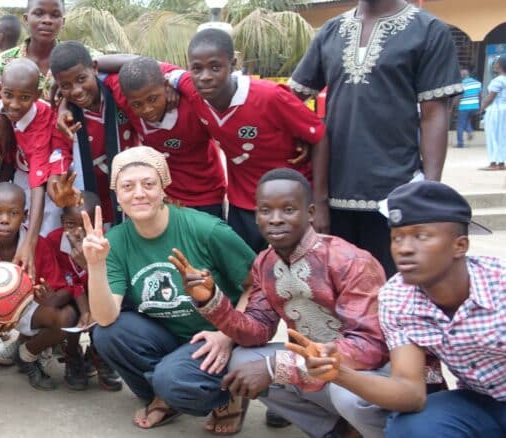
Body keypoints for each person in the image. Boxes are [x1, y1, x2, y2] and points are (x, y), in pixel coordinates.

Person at [183, 168, 390, 437]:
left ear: (311, 213)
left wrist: (276, 367)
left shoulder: (350, 261)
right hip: (314, 366)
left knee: (349, 397)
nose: (275, 220)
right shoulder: (265, 262)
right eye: (265, 210)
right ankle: (335, 430)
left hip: (369, 372)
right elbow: (257, 329)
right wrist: (212, 300)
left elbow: (370, 346)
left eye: (289, 210)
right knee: (242, 361)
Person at [291, 180, 505, 437]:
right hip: (478, 401)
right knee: (410, 428)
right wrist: (338, 374)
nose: (404, 248)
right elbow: (410, 393)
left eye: (421, 236)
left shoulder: (499, 284)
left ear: (460, 246)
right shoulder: (397, 297)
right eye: (397, 238)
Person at [81, 147, 256, 432]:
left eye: (148, 184)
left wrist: (228, 333)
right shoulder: (115, 241)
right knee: (108, 334)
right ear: (118, 195)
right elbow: (105, 318)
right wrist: (96, 265)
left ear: (164, 188)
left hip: (217, 336)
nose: (138, 193)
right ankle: (167, 395)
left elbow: (257, 286)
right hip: (169, 335)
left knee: (171, 379)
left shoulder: (206, 230)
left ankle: (229, 395)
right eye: (128, 186)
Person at [288, 0, 461, 276]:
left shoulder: (428, 30)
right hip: (333, 197)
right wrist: (300, 138)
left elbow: (433, 114)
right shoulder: (332, 31)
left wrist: (429, 192)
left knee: (391, 291)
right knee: (340, 295)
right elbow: (292, 99)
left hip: (396, 194)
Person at [177, 29, 325, 253]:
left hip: (287, 204)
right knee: (246, 275)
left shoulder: (270, 96)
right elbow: (152, 69)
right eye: (196, 68)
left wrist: (320, 203)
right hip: (242, 205)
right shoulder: (194, 92)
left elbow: (319, 135)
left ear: (233, 63)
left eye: (215, 67)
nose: (205, 76)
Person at [0, 183, 78, 398]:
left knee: (67, 316)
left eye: (13, 213)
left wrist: (50, 298)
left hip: (27, 307)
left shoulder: (38, 244)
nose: (4, 219)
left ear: (25, 215)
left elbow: (64, 291)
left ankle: (27, 355)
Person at [113, 57, 226, 219]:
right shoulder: (127, 93)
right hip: (163, 195)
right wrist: (65, 103)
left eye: (153, 99)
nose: (147, 109)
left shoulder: (192, 101)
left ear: (166, 86)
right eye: (137, 105)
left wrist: (173, 76)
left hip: (206, 192)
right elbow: (89, 69)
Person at [0, 59, 71, 277]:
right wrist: (0, 117)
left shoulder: (39, 124)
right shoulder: (4, 99)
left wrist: (30, 244)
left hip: (51, 176)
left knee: (43, 239)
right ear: (1, 89)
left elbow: (38, 186)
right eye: (8, 95)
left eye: (24, 98)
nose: (15, 104)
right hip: (23, 171)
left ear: (37, 96)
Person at [50, 41, 137, 225]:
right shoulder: (66, 120)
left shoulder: (117, 89)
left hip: (133, 191)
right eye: (66, 85)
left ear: (95, 69)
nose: (77, 90)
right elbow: (58, 161)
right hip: (94, 196)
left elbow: (142, 65)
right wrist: (57, 192)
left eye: (82, 79)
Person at [44, 191, 122, 392]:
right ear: (62, 221)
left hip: (99, 294)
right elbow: (66, 281)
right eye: (70, 225)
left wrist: (88, 265)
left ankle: (99, 355)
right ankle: (72, 355)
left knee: (106, 313)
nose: (78, 232)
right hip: (71, 298)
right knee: (69, 315)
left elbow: (111, 282)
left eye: (84, 226)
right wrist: (84, 309)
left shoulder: (108, 241)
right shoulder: (53, 242)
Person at [0, 0, 65, 98]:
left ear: (63, 22)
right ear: (26, 19)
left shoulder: (82, 58)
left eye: (55, 15)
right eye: (39, 13)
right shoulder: (1, 63)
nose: (47, 20)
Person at [479, 56, 506, 170]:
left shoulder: (498, 80)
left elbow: (490, 98)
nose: (494, 65)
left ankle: (493, 163)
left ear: (499, 65)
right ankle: (501, 162)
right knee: (503, 136)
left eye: (495, 63)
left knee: (492, 136)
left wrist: (482, 108)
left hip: (496, 110)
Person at [456, 68, 481, 148]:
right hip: (474, 106)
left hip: (464, 106)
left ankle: (460, 144)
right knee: (467, 120)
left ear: (462, 75)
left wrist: (453, 107)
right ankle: (470, 131)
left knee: (460, 125)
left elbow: (458, 97)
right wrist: (479, 106)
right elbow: (479, 96)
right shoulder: (477, 83)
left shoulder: (461, 84)